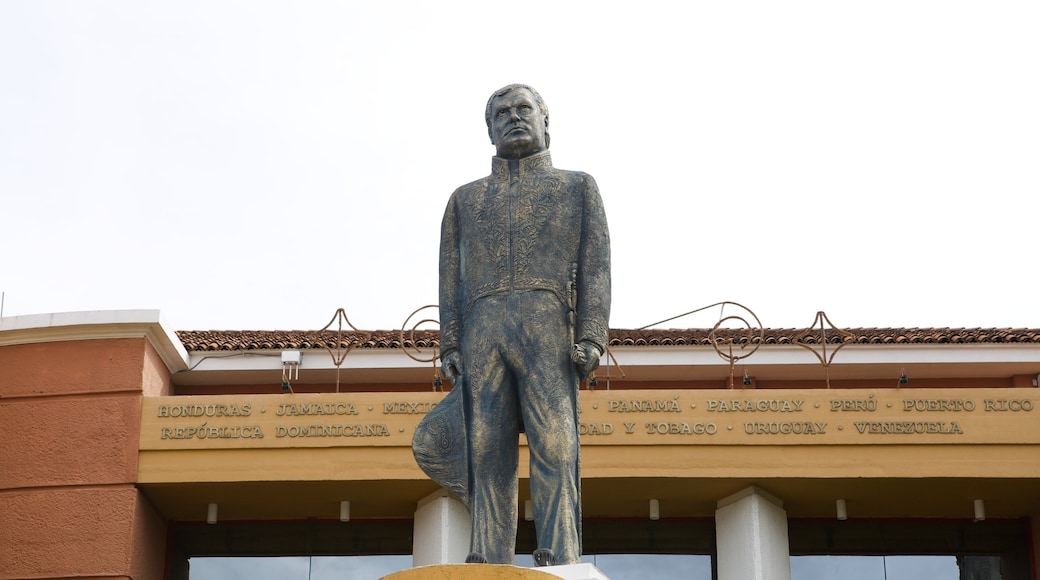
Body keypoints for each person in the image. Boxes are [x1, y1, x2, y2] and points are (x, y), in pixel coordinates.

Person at [417, 83, 611, 566]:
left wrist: (590, 335)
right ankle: (488, 552)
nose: (514, 117)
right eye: (501, 113)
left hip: (548, 327)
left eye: (524, 109)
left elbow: (596, 267)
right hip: (483, 331)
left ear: (547, 121)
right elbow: (449, 276)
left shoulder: (576, 186)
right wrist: (451, 343)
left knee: (556, 444)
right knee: (486, 451)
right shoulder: (464, 200)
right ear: (489, 130)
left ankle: (561, 555)